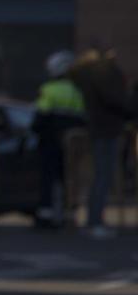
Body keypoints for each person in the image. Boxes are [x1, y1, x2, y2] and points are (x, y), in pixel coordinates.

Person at [71, 41, 134, 239]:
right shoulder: (104, 72)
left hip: (98, 127)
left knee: (100, 175)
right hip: (107, 128)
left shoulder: (85, 73)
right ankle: (95, 220)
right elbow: (116, 99)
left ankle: (94, 219)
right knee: (103, 175)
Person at [32, 50, 87, 227]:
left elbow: (41, 116)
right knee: (69, 178)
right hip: (73, 143)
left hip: (50, 142)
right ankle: (68, 213)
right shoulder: (78, 90)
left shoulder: (49, 89)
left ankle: (45, 216)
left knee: (48, 179)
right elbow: (82, 117)